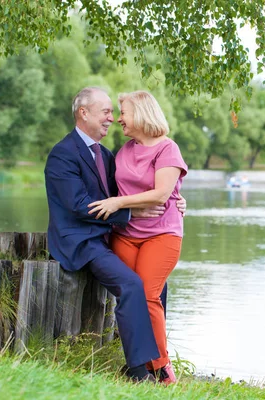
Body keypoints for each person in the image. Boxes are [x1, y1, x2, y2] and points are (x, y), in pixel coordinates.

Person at [44, 87, 186, 383]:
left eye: (115, 112)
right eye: (106, 112)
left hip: (108, 236)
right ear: (84, 113)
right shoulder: (63, 154)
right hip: (82, 241)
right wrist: (129, 214)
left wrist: (176, 200)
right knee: (133, 285)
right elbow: (78, 205)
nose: (112, 118)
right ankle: (141, 370)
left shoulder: (108, 155)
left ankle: (151, 360)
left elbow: (130, 191)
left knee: (157, 288)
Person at [88, 90, 187, 385]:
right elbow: (115, 190)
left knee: (148, 295)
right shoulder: (124, 151)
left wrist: (119, 204)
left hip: (162, 234)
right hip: (126, 235)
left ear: (142, 114)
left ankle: (162, 367)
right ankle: (138, 366)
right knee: (131, 297)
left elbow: (161, 193)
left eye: (123, 113)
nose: (119, 119)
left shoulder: (167, 149)